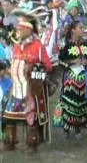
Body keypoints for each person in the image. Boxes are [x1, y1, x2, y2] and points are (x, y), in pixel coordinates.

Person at [3, 13, 52, 152]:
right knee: (9, 115)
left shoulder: (38, 45)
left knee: (31, 116)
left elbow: (47, 67)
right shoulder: (17, 46)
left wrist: (33, 67)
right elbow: (14, 62)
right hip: (17, 88)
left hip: (32, 89)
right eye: (17, 29)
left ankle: (32, 144)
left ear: (28, 30)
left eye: (20, 29)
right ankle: (10, 142)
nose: (18, 31)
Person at [58, 21, 87, 139]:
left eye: (83, 27)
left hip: (84, 78)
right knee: (69, 102)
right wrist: (72, 62)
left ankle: (78, 128)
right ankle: (66, 128)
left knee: (81, 102)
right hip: (70, 79)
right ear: (73, 30)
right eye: (80, 27)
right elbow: (60, 60)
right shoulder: (65, 44)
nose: (82, 29)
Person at [0, 61, 12, 145]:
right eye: (3, 70)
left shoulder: (8, 81)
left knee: (4, 119)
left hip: (4, 103)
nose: (4, 71)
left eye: (5, 69)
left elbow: (11, 92)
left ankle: (3, 133)